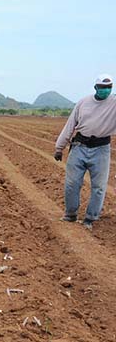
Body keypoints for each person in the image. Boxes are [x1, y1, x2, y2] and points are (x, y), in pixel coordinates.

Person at [55, 74, 116, 230]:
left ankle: (90, 218)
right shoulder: (83, 102)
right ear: (95, 87)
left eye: (109, 87)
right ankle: (70, 214)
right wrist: (59, 147)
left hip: (101, 149)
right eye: (102, 88)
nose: (106, 90)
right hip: (79, 146)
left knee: (99, 187)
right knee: (72, 183)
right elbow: (70, 125)